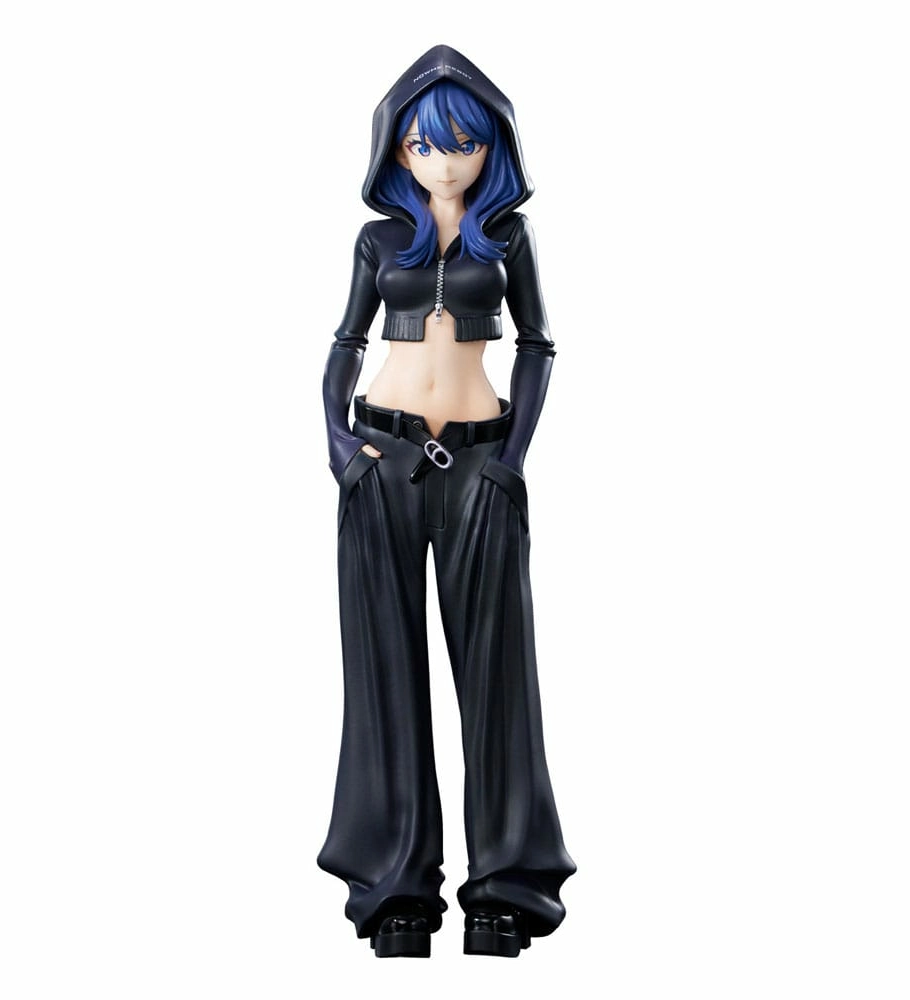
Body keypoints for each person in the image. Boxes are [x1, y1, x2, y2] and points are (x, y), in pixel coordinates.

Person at [318, 45, 575, 959]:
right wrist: (338, 443)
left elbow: (538, 345)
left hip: (477, 464)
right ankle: (394, 889)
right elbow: (346, 342)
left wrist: (511, 459)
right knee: (382, 674)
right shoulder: (379, 240)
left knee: (498, 675)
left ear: (492, 146)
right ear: (397, 149)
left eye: (464, 142)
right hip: (382, 458)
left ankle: (504, 888)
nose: (444, 159)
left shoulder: (508, 237)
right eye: (425, 144)